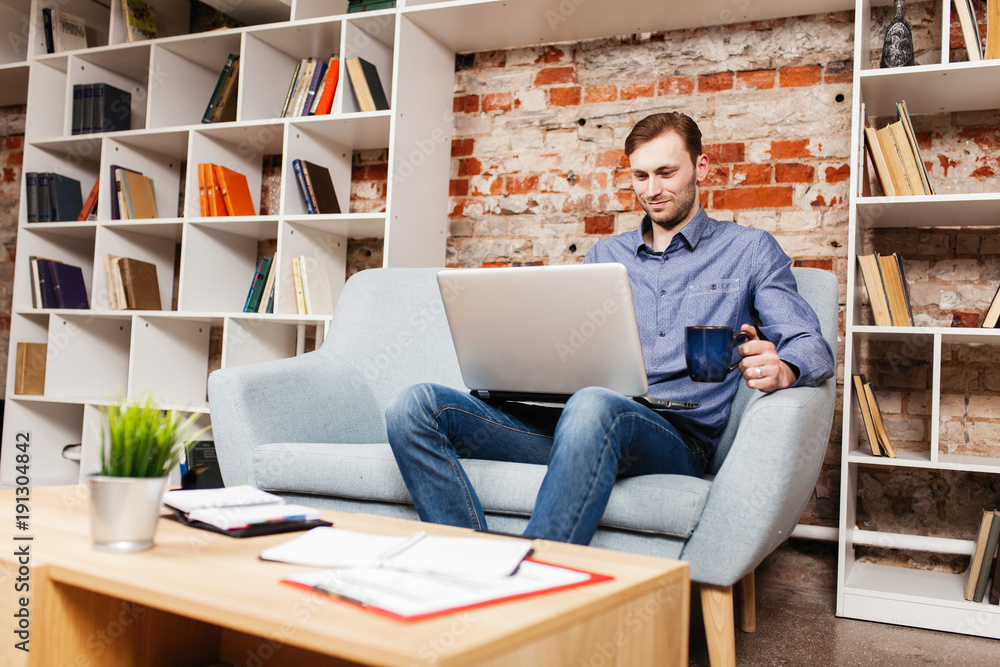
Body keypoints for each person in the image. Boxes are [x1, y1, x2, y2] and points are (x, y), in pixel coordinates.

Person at [385, 111, 835, 545]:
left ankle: (532, 590)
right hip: (580, 422)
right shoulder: (605, 257)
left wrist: (785, 369)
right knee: (414, 407)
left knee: (594, 405)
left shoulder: (750, 250)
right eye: (641, 176)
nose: (653, 190)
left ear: (701, 167)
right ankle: (471, 568)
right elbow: (577, 354)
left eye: (666, 172)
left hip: (676, 440)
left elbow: (811, 343)